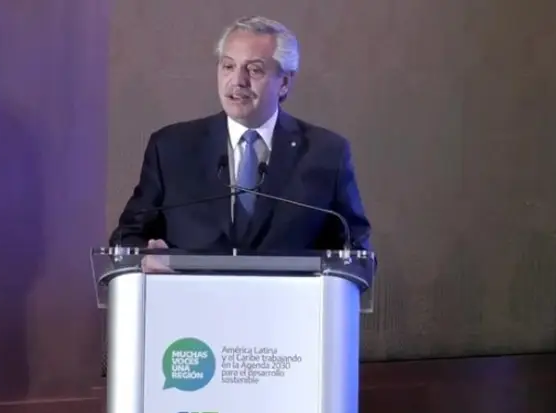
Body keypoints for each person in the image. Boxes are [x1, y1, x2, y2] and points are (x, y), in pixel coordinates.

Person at [109, 15, 372, 258]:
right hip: (192, 294)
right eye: (228, 66)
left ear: (284, 83)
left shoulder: (325, 153)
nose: (237, 81)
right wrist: (145, 256)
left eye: (254, 70)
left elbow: (356, 251)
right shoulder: (171, 148)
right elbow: (126, 237)